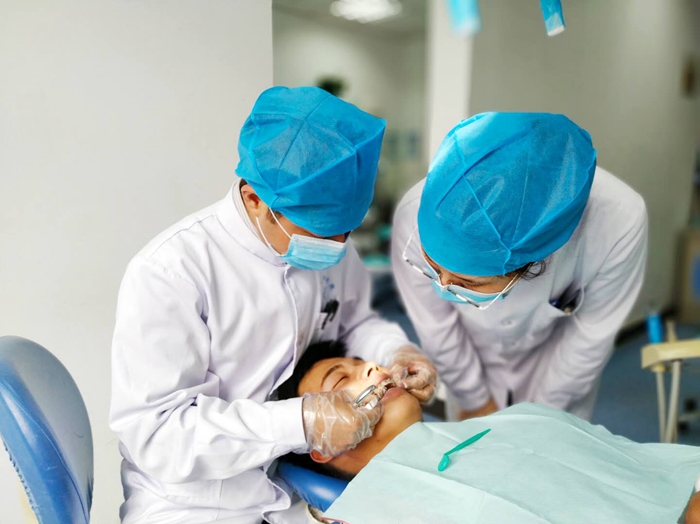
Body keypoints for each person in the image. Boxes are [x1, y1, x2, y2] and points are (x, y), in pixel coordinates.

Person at [109, 86, 437, 524]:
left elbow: (356, 322)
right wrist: (302, 422)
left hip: (288, 491)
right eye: (320, 230)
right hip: (192, 506)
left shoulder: (333, 243)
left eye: (345, 228)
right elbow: (158, 435)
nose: (338, 244)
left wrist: (396, 352)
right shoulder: (171, 273)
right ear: (255, 201)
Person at [391, 112, 648, 421]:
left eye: (469, 284)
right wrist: (474, 398)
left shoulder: (619, 220)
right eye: (431, 266)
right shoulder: (421, 212)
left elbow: (591, 333)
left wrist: (540, 415)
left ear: (534, 263)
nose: (442, 286)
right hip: (469, 353)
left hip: (556, 359)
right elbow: (436, 323)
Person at [277, 341, 700, 524]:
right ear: (321, 444)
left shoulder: (521, 419)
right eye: (342, 379)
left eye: (363, 362)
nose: (374, 367)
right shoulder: (379, 512)